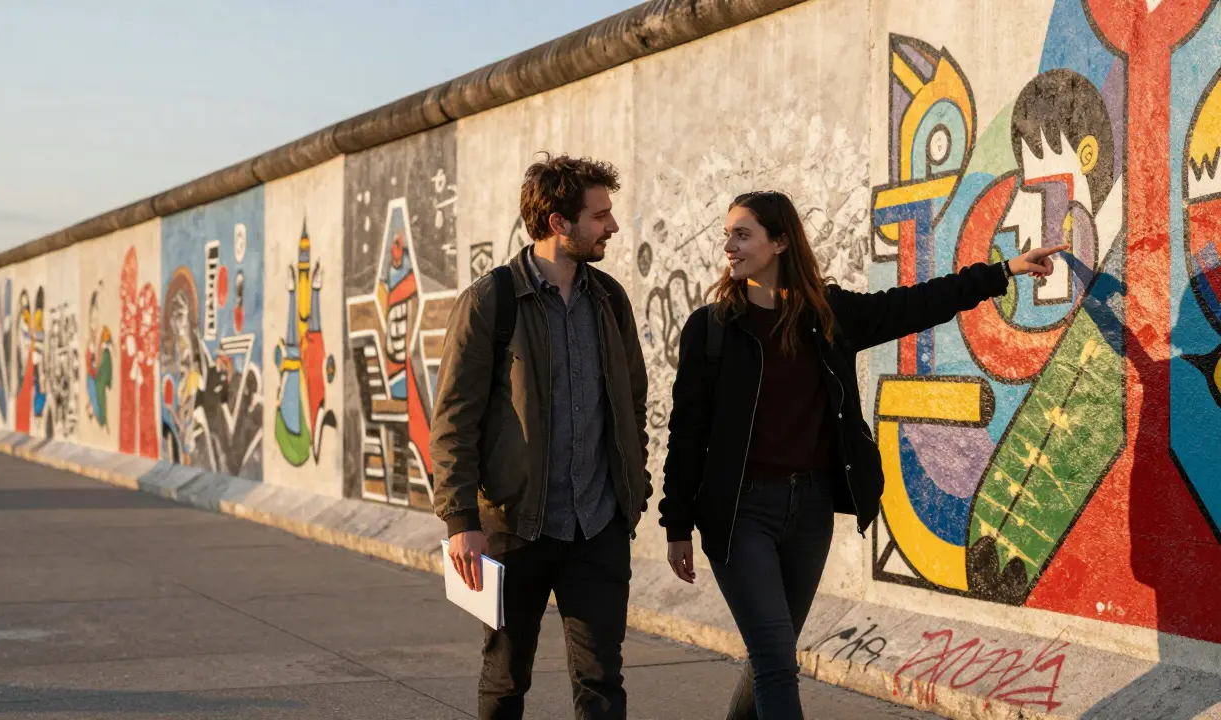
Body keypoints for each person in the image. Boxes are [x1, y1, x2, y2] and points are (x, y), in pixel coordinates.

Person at [657, 190, 1065, 719]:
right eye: (728, 234)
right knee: (778, 662)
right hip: (740, 514)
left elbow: (917, 304)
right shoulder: (711, 330)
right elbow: (687, 433)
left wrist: (1002, 271)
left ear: (779, 242)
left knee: (770, 658)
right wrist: (676, 525)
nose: (729, 246)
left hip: (809, 511)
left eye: (743, 234)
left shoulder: (829, 316)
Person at [430, 153, 652, 720]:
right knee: (506, 681)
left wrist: (634, 489)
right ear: (559, 223)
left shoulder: (610, 300)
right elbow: (455, 418)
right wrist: (461, 522)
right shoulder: (490, 301)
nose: (613, 226)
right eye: (600, 215)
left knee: (603, 682)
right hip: (514, 527)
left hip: (598, 525)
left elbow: (632, 401)